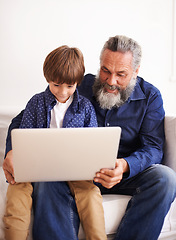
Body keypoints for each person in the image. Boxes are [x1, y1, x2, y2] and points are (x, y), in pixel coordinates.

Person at [3, 35, 176, 240]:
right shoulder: (76, 84)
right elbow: (24, 118)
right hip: (76, 171)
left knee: (165, 179)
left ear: (135, 72)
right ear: (99, 64)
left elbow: (154, 148)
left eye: (121, 74)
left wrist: (125, 166)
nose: (111, 81)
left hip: (122, 173)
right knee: (48, 177)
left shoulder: (150, 97)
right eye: (105, 71)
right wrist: (12, 151)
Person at [3, 45, 107, 240]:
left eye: (70, 86)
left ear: (78, 82)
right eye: (56, 85)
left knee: (91, 195)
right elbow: (22, 136)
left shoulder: (85, 107)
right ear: (47, 79)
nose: (62, 92)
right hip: (34, 168)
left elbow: (93, 142)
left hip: (74, 170)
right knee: (16, 198)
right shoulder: (36, 102)